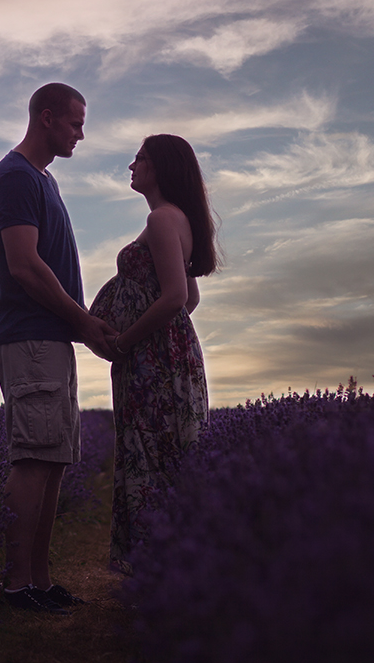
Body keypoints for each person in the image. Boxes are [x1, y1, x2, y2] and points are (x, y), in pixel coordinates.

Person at [0, 82, 117, 614]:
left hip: (51, 336)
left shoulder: (42, 180)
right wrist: (83, 321)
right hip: (29, 335)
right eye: (75, 123)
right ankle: (16, 587)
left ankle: (39, 580)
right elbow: (25, 265)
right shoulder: (15, 177)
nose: (81, 133)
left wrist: (80, 326)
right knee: (33, 457)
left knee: (54, 459)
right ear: (46, 117)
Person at [89, 134, 220, 576]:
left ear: (160, 167)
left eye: (140, 158)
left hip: (152, 363)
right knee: (167, 454)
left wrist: (127, 342)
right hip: (164, 357)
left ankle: (160, 568)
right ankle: (173, 566)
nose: (131, 165)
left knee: (153, 454)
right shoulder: (170, 219)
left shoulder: (164, 219)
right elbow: (191, 298)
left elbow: (176, 297)